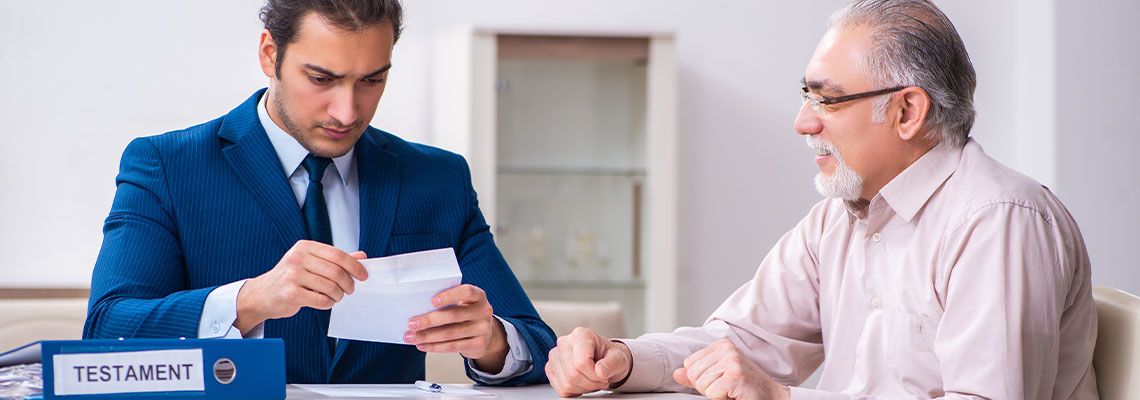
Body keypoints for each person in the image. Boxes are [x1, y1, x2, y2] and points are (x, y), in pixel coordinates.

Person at [545, 0, 1099, 398]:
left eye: (828, 100)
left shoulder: (999, 220)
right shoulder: (838, 218)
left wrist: (781, 398)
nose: (803, 122)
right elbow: (738, 342)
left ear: (908, 111)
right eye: (805, 95)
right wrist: (624, 359)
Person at [82, 0, 554, 385]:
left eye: (372, 80)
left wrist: (492, 342)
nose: (347, 112)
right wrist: (251, 300)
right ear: (269, 54)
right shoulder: (167, 166)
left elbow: (536, 344)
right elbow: (106, 331)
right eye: (322, 79)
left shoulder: (436, 178)